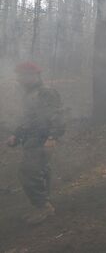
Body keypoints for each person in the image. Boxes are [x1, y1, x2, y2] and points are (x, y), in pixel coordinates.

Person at [6, 61, 65, 224]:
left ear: (34, 76)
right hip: (32, 139)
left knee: (28, 172)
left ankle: (43, 207)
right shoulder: (30, 93)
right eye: (19, 76)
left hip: (42, 139)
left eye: (23, 75)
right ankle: (43, 204)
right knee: (41, 171)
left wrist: (52, 137)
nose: (19, 79)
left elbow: (58, 115)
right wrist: (16, 135)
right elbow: (29, 119)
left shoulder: (46, 92)